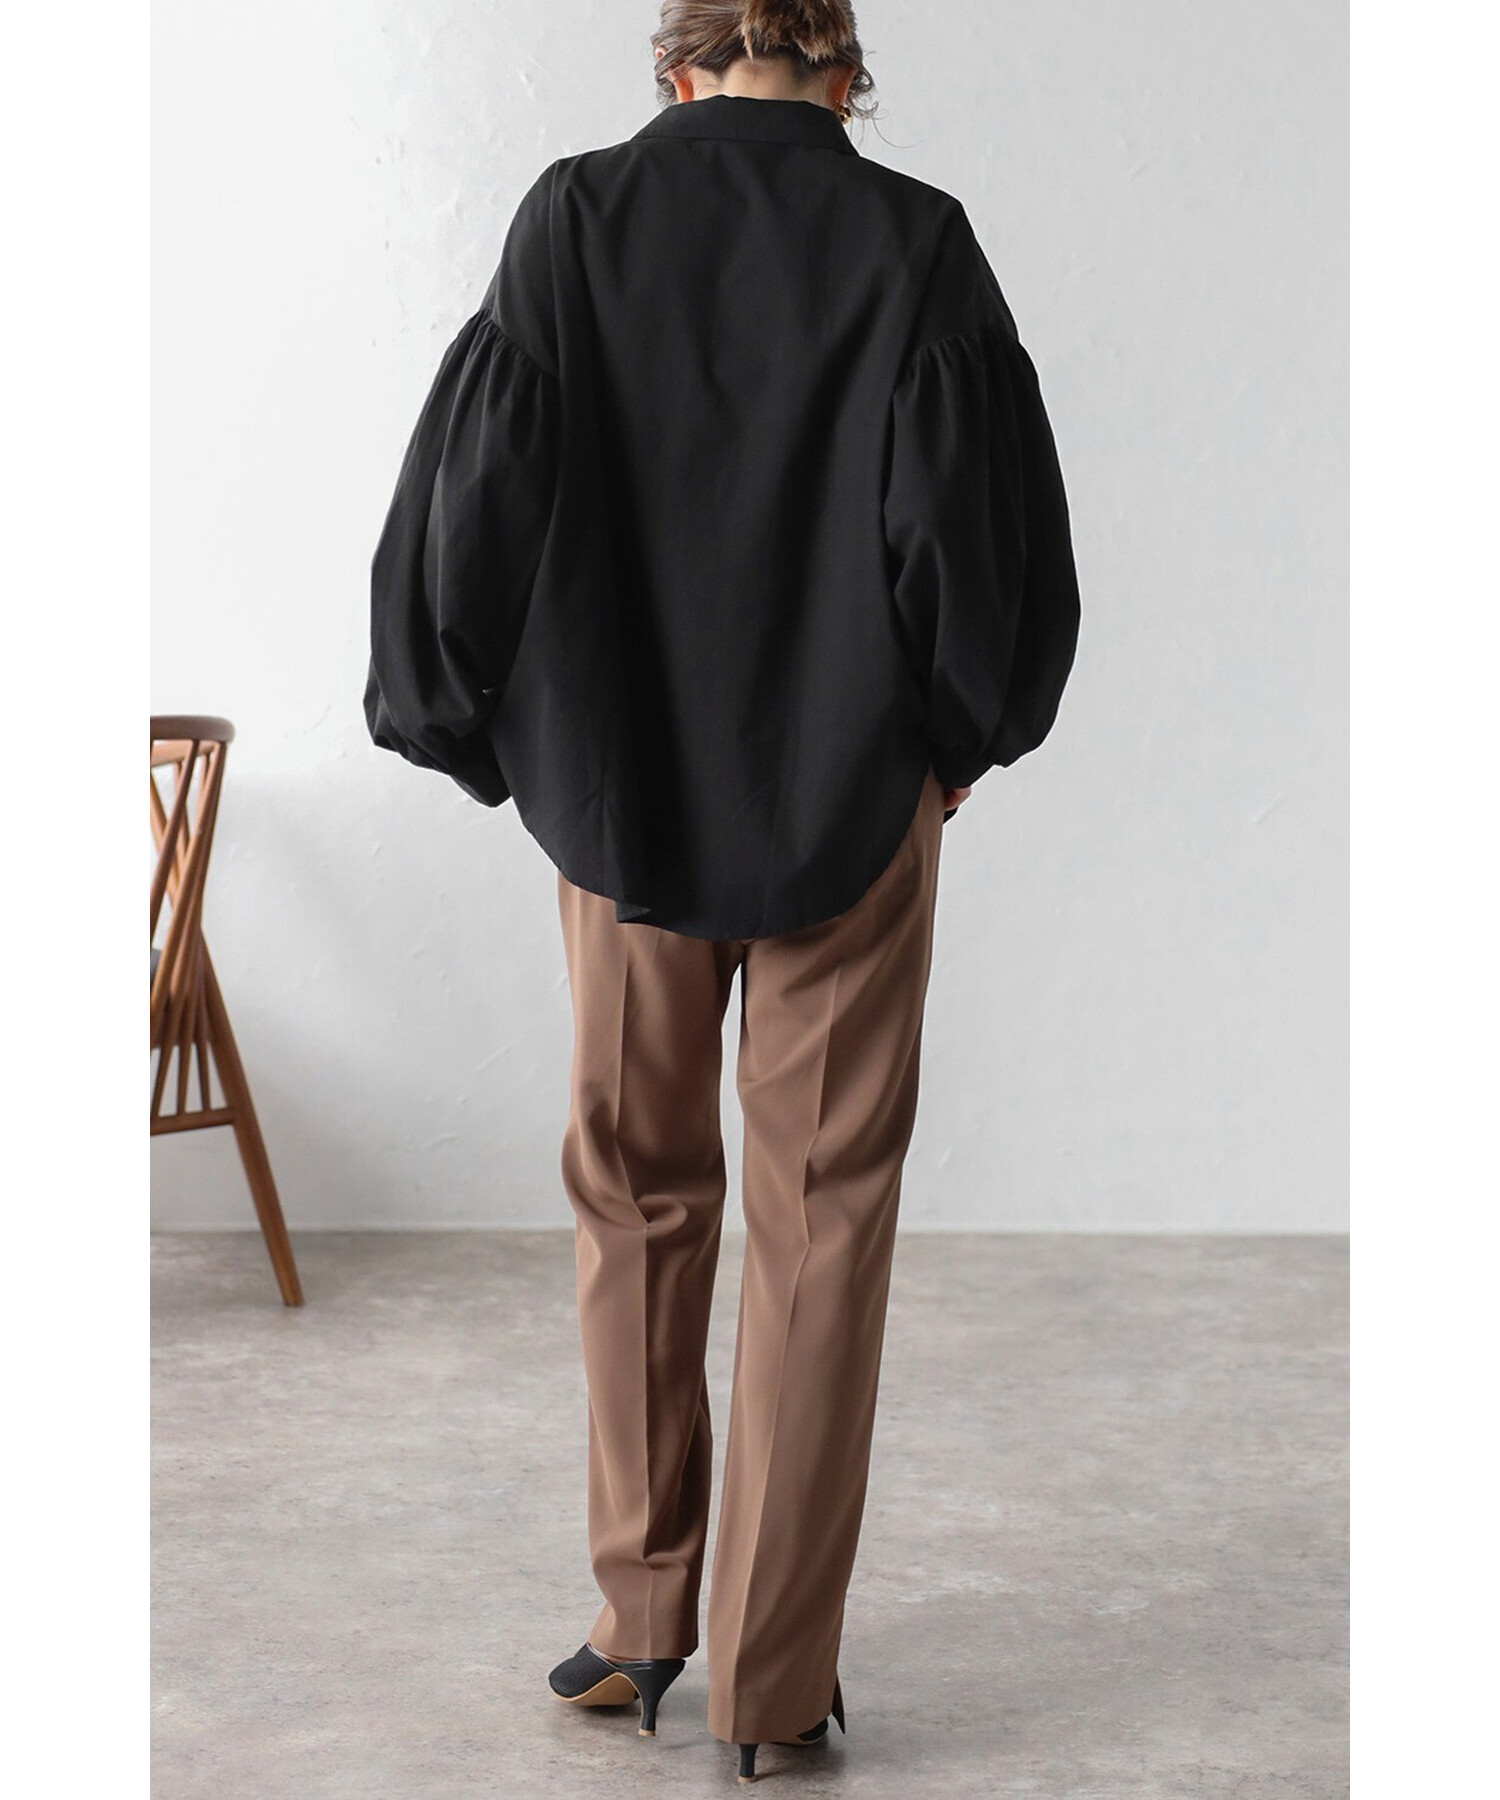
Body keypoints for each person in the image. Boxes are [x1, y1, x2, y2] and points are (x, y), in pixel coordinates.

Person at [364, 0, 1080, 1780]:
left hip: (617, 813)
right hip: (853, 807)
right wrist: (959, 743)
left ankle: (638, 1617)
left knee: (633, 1192)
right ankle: (772, 1685)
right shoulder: (918, 241)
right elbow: (969, 528)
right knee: (821, 1223)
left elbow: (478, 499)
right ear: (844, 78)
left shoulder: (573, 218)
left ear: (678, 70)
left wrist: (470, 724)